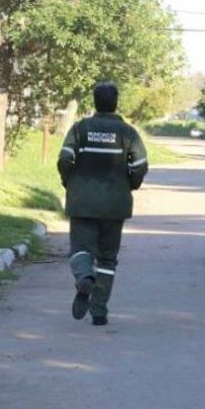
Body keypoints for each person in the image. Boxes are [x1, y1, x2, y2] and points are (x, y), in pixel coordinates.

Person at [57, 82, 148, 326]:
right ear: (115, 102)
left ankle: (84, 276)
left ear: (95, 102)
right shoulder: (128, 133)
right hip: (115, 205)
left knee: (80, 250)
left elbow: (65, 158)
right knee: (107, 259)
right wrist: (130, 184)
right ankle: (99, 311)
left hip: (82, 202)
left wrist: (70, 182)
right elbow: (140, 166)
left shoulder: (80, 128)